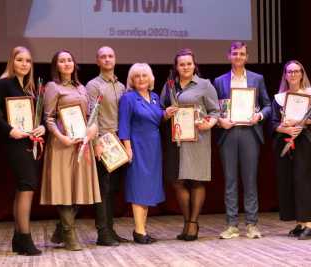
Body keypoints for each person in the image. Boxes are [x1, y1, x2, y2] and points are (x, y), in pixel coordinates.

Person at [40, 49, 101, 251]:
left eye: (69, 60)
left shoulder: (82, 88)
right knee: (64, 189)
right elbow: (48, 118)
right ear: (56, 65)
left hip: (81, 145)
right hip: (62, 145)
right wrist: (62, 137)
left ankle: (61, 227)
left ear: (74, 64)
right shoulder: (52, 87)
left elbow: (91, 115)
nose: (66, 63)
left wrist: (92, 131)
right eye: (62, 61)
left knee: (80, 190)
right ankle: (69, 234)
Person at [0, 46, 45, 255]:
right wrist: (10, 130)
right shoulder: (3, 84)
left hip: (30, 142)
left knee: (24, 187)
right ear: (12, 62)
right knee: (27, 185)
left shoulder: (29, 88)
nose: (24, 64)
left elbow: (34, 117)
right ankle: (25, 238)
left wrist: (41, 127)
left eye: (28, 61)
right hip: (15, 143)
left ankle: (18, 239)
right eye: (20, 60)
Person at [213, 41, 271, 239]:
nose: (238, 56)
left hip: (249, 133)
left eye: (242, 54)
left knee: (250, 179)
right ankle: (232, 225)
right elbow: (215, 109)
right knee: (230, 180)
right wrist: (220, 121)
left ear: (246, 57)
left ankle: (252, 225)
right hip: (228, 133)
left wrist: (260, 116)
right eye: (235, 53)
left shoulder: (257, 78)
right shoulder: (219, 81)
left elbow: (267, 105)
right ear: (229, 56)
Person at [161, 48, 219, 241]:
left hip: (198, 138)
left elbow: (215, 111)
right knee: (177, 182)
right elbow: (161, 108)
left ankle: (193, 224)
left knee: (196, 180)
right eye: (181, 64)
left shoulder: (205, 85)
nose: (185, 67)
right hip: (175, 140)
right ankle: (187, 221)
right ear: (176, 67)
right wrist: (165, 112)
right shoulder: (170, 85)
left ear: (194, 65)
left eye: (188, 63)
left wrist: (208, 123)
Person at [271, 60, 311, 240]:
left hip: (305, 141)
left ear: (302, 74)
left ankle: (310, 224)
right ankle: (300, 223)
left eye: (296, 71)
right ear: (285, 75)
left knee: (303, 179)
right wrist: (284, 128)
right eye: (289, 72)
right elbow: (272, 123)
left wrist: (298, 122)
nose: (293, 74)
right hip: (285, 140)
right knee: (289, 180)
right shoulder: (279, 98)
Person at [118, 63, 169, 244]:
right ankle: (139, 232)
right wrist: (128, 148)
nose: (141, 79)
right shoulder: (128, 98)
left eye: (144, 75)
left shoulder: (155, 97)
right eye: (137, 76)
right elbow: (123, 125)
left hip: (153, 148)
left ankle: (142, 229)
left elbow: (156, 117)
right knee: (138, 187)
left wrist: (166, 114)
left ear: (150, 79)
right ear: (132, 80)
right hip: (137, 147)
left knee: (148, 189)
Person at [86, 46, 128, 246]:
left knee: (113, 190)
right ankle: (102, 232)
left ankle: (111, 229)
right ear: (97, 61)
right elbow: (91, 117)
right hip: (104, 141)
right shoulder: (93, 86)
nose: (107, 59)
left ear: (115, 59)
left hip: (119, 142)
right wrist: (95, 144)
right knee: (103, 189)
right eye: (103, 56)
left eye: (110, 56)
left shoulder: (121, 86)